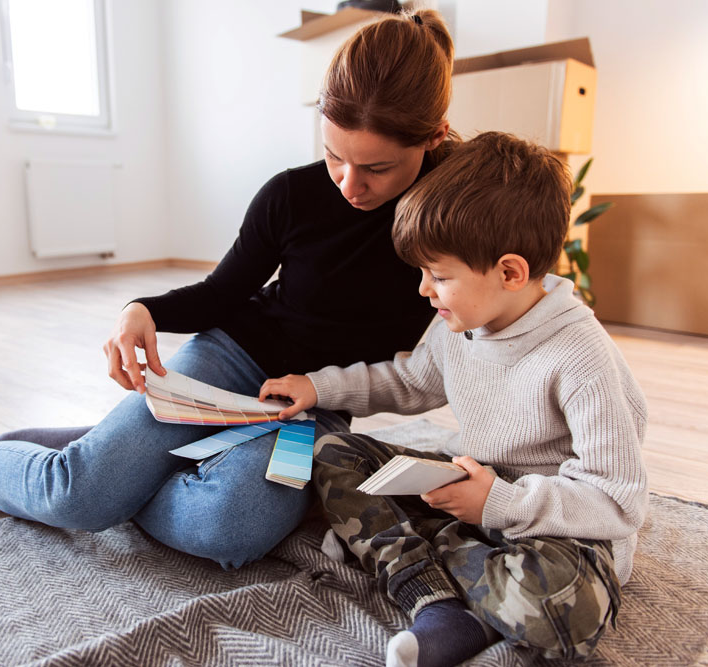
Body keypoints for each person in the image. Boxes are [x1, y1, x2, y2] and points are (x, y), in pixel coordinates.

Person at [0, 10, 458, 570]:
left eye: (376, 168)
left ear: (433, 139)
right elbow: (222, 291)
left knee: (231, 531)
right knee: (75, 498)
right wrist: (138, 308)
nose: (349, 183)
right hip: (231, 361)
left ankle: (112, 457)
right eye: (334, 154)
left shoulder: (457, 211)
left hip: (316, 409)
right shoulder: (291, 194)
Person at [258, 132, 648, 666]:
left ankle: (420, 570)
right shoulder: (460, 322)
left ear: (510, 272)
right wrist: (318, 386)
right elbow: (409, 382)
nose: (423, 290)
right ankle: (441, 601)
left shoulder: (583, 358)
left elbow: (619, 502)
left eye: (438, 276)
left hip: (560, 530)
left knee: (565, 609)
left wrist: (498, 504)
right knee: (330, 452)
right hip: (473, 490)